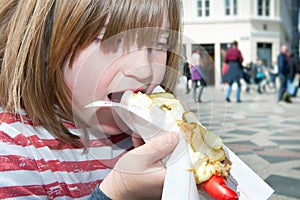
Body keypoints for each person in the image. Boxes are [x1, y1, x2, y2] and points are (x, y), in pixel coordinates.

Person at [0, 0, 181, 199]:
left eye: (159, 44)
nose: (144, 69)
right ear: (44, 44)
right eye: (112, 41)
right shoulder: (12, 150)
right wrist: (117, 192)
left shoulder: (150, 133)